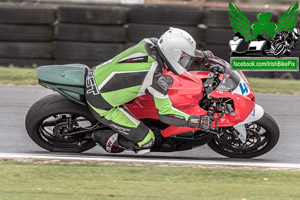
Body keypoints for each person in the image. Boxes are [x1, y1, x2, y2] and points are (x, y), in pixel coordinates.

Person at [85, 27, 222, 154]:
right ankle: (105, 138)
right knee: (148, 141)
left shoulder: (150, 42)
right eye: (184, 58)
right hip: (101, 103)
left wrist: (202, 56)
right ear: (173, 53)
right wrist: (195, 121)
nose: (186, 63)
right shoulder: (154, 79)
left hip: (97, 75)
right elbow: (166, 114)